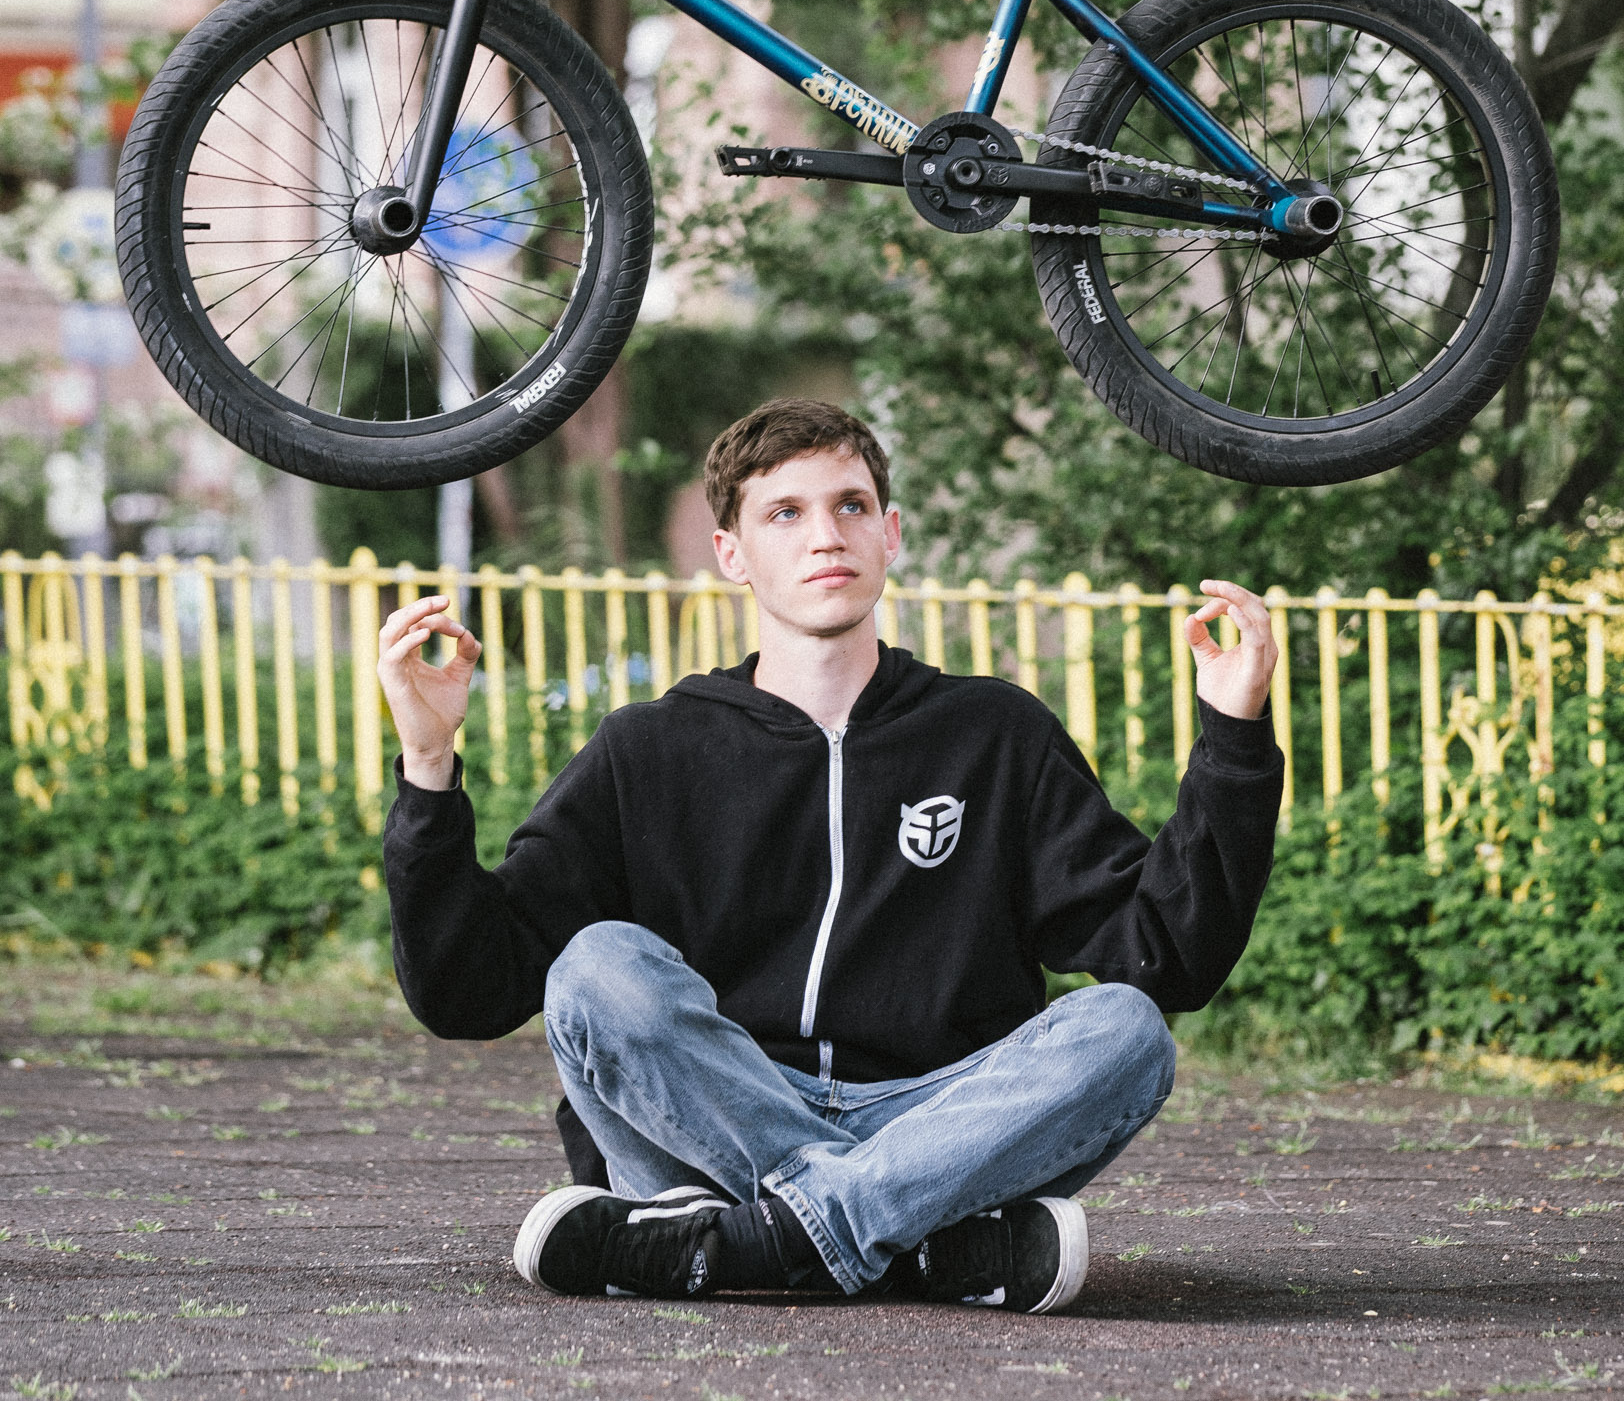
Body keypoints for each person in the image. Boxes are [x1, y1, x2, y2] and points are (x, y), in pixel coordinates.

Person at [381, 399, 1282, 1314]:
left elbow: (1164, 956)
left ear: (890, 534)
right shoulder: (647, 750)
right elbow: (468, 992)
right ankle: (920, 1243)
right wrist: (427, 763)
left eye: (851, 505)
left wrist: (1234, 738)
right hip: (714, 1120)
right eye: (786, 512)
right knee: (595, 969)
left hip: (935, 1119)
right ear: (731, 552)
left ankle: (740, 1244)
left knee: (1126, 1030)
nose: (827, 536)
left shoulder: (995, 735)